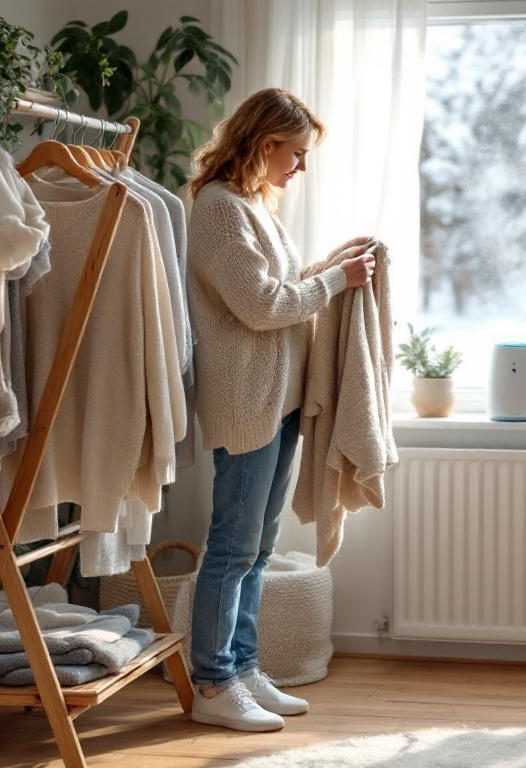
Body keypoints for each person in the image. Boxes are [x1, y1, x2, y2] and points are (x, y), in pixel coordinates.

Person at [184, 88, 376, 731]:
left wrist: (332, 267)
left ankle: (241, 666)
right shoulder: (217, 210)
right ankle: (211, 685)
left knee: (259, 547)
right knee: (233, 547)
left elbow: (283, 292)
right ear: (264, 145)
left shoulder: (251, 207)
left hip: (279, 399)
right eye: (295, 154)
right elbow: (263, 307)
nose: (300, 168)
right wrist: (332, 282)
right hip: (247, 403)